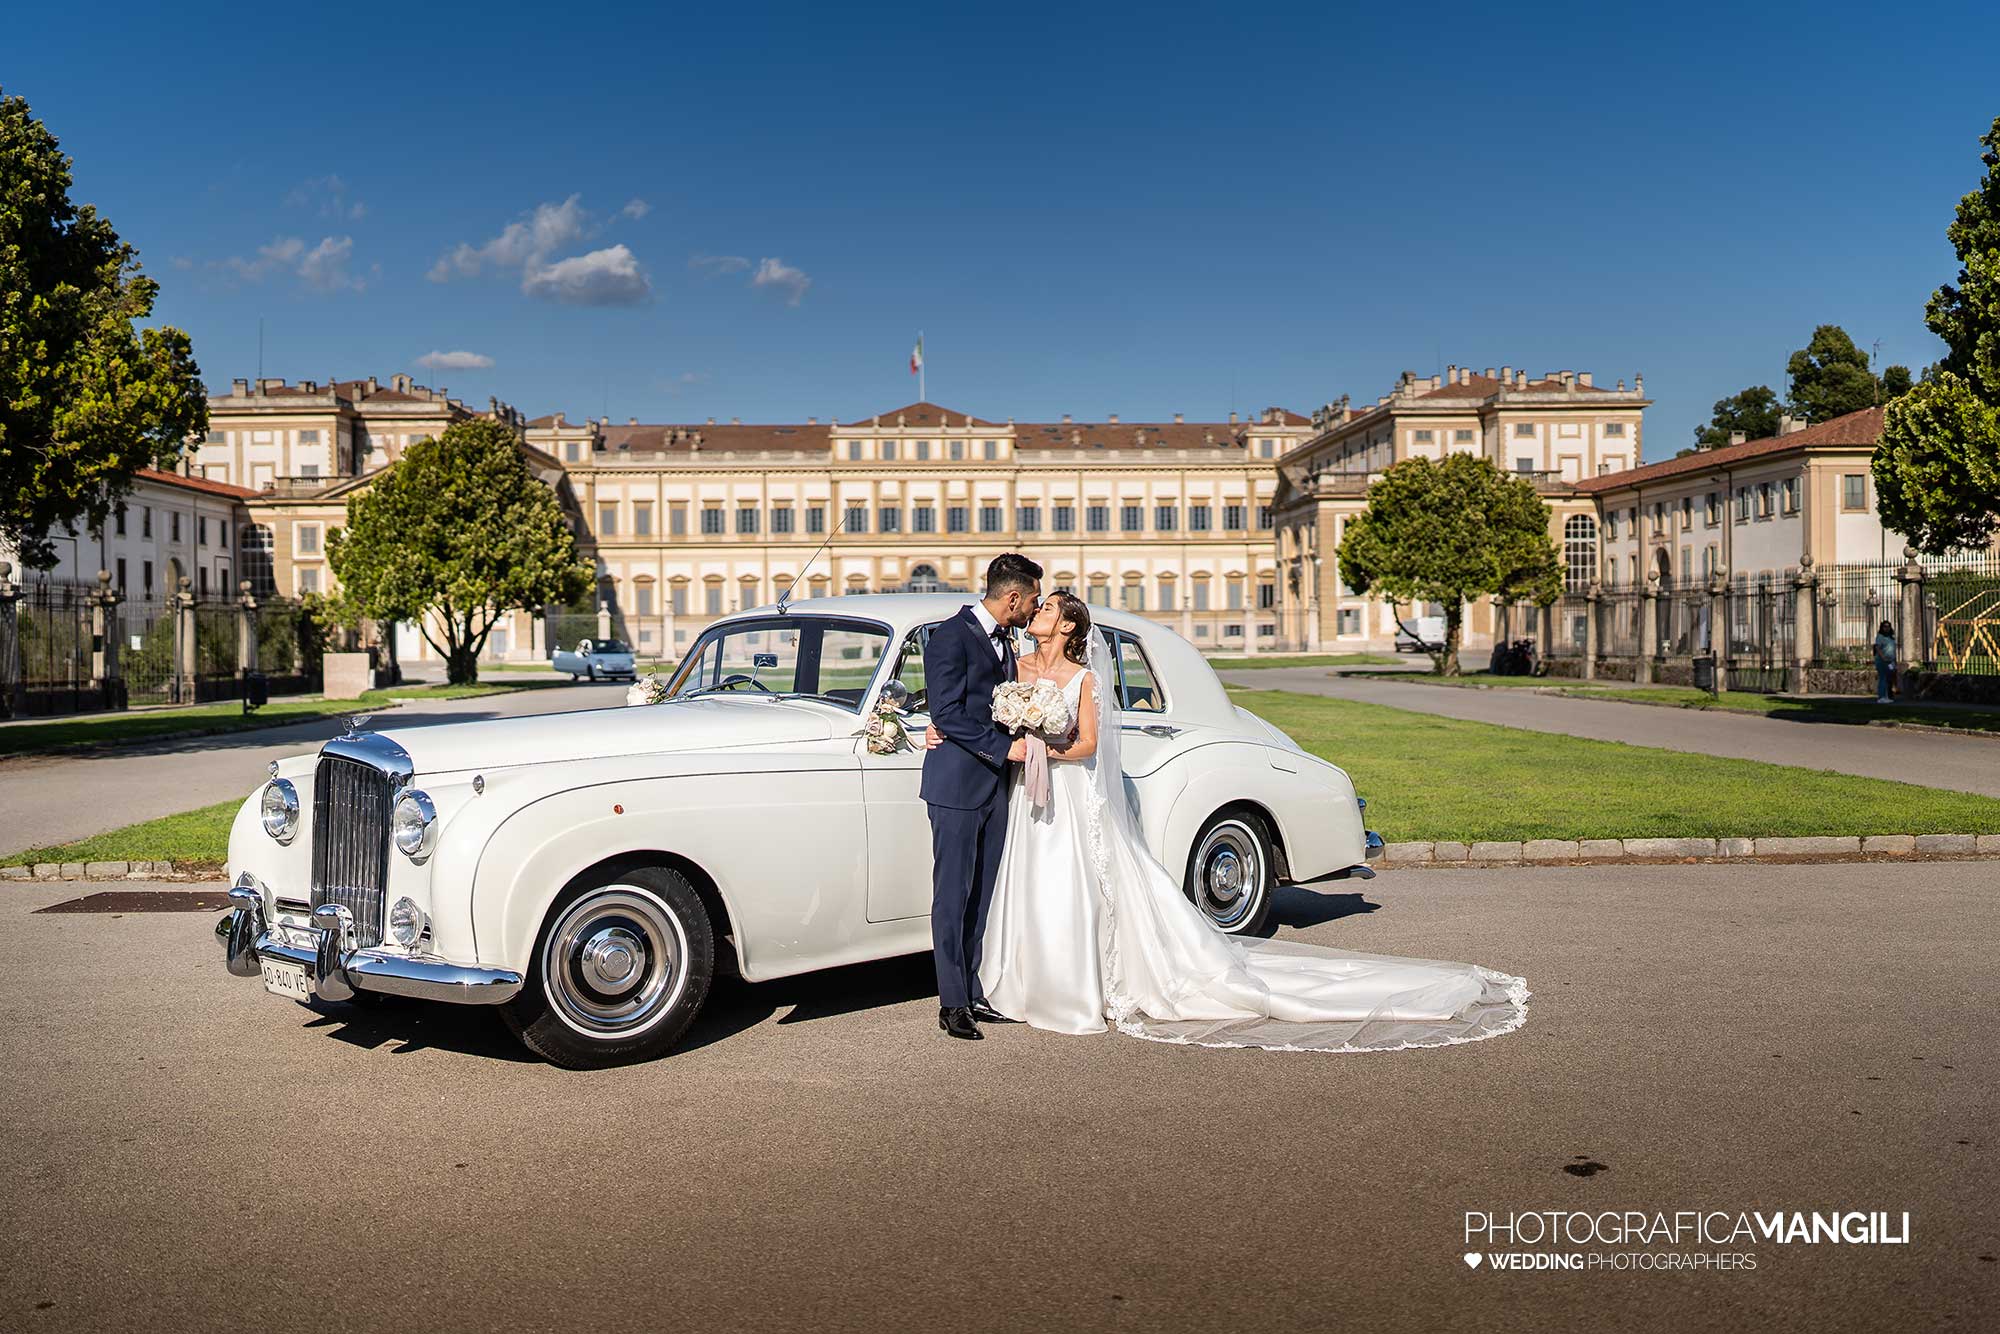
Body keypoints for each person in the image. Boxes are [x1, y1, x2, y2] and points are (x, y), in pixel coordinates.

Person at [929, 590, 1527, 1052]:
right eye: (1034, 603)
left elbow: (1086, 743)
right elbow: (970, 704)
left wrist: (1040, 750)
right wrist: (946, 724)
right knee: (1021, 886)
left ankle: (1076, 983)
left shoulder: (1084, 676)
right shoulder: (1011, 656)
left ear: (1068, 625)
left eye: (1046, 607)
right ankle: (1014, 983)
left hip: (1060, 778)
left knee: (1077, 884)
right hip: (1020, 789)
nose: (1033, 611)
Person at [918, 552, 1041, 1041]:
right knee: (952, 894)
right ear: (1012, 597)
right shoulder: (948, 637)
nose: (1033, 609)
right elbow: (945, 711)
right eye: (1031, 600)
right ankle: (951, 1004)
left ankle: (972, 989)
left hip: (994, 786)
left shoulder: (1006, 639)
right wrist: (1003, 747)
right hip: (956, 785)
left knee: (982, 892)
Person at [1872, 620, 1897, 704]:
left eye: (1888, 626)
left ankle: (1887, 696)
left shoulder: (1891, 637)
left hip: (1890, 661)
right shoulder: (1880, 637)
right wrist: (1883, 657)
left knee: (1888, 678)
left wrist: (1894, 660)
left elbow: (1893, 649)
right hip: (1882, 661)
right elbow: (1877, 648)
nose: (1887, 628)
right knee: (1882, 678)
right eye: (1885, 626)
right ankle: (1881, 697)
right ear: (1882, 628)